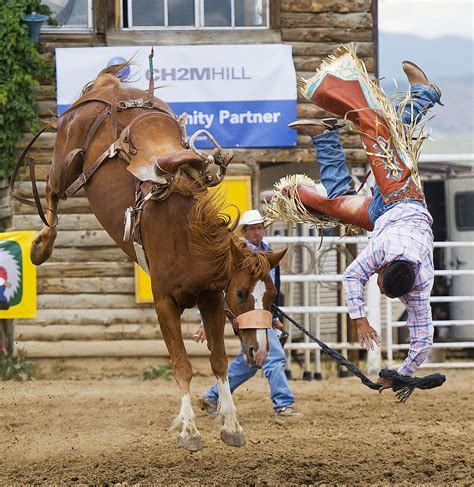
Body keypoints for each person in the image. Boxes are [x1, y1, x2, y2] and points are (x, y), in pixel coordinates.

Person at [289, 61, 443, 390]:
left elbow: (423, 338)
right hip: (402, 195)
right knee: (380, 139)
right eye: (380, 282)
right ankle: (423, 96)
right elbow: (352, 275)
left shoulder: (418, 288)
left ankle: (326, 139)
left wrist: (399, 376)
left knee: (335, 205)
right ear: (384, 267)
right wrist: (360, 320)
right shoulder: (386, 254)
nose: (375, 279)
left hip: (380, 216)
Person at [194, 209, 302, 417]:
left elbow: (269, 289)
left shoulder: (267, 252)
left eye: (260, 228)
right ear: (244, 232)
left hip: (261, 315)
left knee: (252, 362)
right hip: (247, 315)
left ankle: (212, 396)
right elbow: (215, 289)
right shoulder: (240, 257)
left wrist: (275, 318)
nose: (257, 232)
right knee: (274, 355)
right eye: (252, 229)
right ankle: (283, 403)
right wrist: (204, 322)